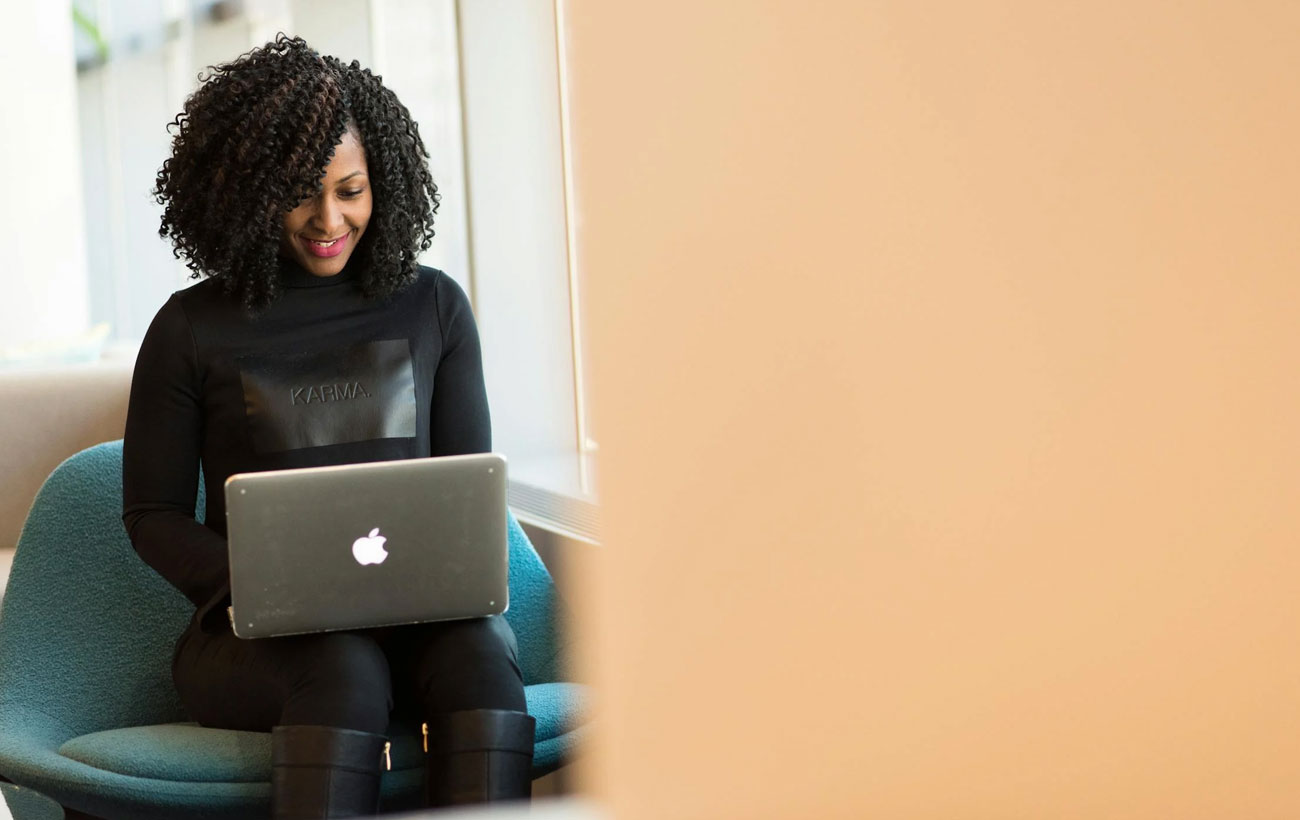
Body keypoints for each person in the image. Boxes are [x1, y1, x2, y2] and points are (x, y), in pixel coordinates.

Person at [121, 35, 534, 818]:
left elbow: (463, 493)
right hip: (257, 640)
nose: (328, 219)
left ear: (385, 182)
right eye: (300, 193)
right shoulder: (189, 329)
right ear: (246, 192)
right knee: (345, 666)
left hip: (422, 623)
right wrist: (270, 584)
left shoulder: (435, 307)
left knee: (481, 658)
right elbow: (152, 516)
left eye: (352, 190)